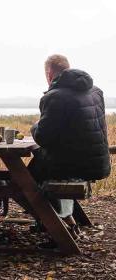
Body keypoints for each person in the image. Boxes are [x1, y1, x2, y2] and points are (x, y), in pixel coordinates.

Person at [28, 54, 111, 238]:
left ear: (49, 74)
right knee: (40, 168)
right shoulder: (95, 91)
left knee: (24, 179)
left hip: (71, 165)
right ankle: (66, 221)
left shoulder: (55, 96)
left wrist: (34, 126)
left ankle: (56, 226)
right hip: (97, 163)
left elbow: (42, 137)